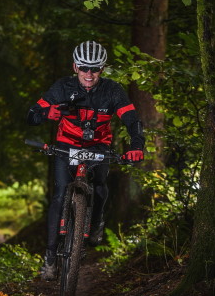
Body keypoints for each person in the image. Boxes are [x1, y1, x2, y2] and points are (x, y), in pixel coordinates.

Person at [27, 40, 145, 280]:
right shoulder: (62, 87)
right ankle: (50, 256)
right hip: (66, 145)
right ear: (75, 66)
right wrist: (46, 113)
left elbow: (132, 121)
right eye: (84, 68)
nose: (89, 74)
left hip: (98, 146)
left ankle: (95, 224)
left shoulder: (112, 91)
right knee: (60, 194)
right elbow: (32, 114)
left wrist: (136, 146)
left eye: (95, 68)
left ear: (103, 68)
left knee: (100, 187)